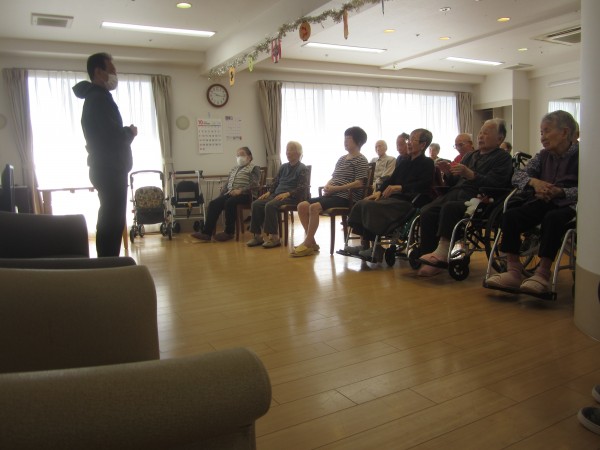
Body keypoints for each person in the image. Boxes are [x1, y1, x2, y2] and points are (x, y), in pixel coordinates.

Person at [486, 110, 578, 295]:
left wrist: (561, 192)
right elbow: (517, 176)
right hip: (542, 201)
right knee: (511, 215)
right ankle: (513, 271)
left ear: (565, 132)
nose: (542, 137)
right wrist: (535, 183)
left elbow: (590, 189)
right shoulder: (543, 156)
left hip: (570, 206)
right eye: (541, 132)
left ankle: (542, 273)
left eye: (546, 131)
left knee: (552, 218)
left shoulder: (584, 157)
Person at [417, 118, 513, 277]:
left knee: (449, 208)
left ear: (500, 139)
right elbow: (455, 181)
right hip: (457, 192)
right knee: (427, 210)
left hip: (480, 198)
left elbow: (497, 183)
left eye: (486, 133)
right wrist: (447, 172)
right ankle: (429, 257)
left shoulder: (503, 158)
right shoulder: (470, 156)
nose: (481, 136)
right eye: (480, 132)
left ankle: (442, 253)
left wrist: (471, 175)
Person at [72, 53, 138, 257]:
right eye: (112, 70)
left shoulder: (96, 97)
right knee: (111, 221)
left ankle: (108, 262)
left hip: (106, 167)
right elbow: (112, 136)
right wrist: (130, 132)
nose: (115, 75)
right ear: (99, 72)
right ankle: (107, 263)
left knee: (111, 219)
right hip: (109, 168)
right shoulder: (98, 99)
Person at [345, 128, 435, 262]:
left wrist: (401, 188)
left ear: (423, 145)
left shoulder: (427, 163)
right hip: (393, 199)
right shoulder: (404, 162)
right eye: (409, 139)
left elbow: (424, 184)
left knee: (371, 207)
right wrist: (379, 192)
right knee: (362, 203)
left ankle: (376, 249)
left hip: (408, 201)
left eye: (413, 140)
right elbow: (390, 180)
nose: (409, 143)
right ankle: (365, 245)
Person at [291, 126, 370, 258]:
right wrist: (328, 186)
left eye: (349, 139)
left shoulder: (361, 160)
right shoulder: (341, 159)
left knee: (314, 207)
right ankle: (312, 242)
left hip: (347, 197)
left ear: (358, 142)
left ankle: (307, 243)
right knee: (301, 206)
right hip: (333, 195)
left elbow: (359, 183)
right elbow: (334, 177)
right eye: (345, 138)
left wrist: (336, 189)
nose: (345, 141)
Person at [246, 141, 308, 249]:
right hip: (277, 194)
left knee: (270, 205)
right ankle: (257, 236)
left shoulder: (302, 168)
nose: (287, 152)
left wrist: (288, 193)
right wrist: (269, 192)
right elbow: (276, 182)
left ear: (298, 153)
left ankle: (274, 238)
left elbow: (302, 188)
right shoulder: (283, 167)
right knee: (256, 204)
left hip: (292, 197)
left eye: (291, 150)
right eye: (287, 150)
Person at [191, 147, 260, 242]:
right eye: (238, 155)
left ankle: (229, 232)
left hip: (247, 195)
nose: (239, 157)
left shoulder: (254, 168)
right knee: (213, 203)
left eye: (242, 154)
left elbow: (255, 184)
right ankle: (206, 233)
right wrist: (221, 197)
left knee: (229, 202)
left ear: (249, 157)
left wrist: (240, 190)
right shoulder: (234, 169)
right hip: (231, 194)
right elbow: (227, 184)